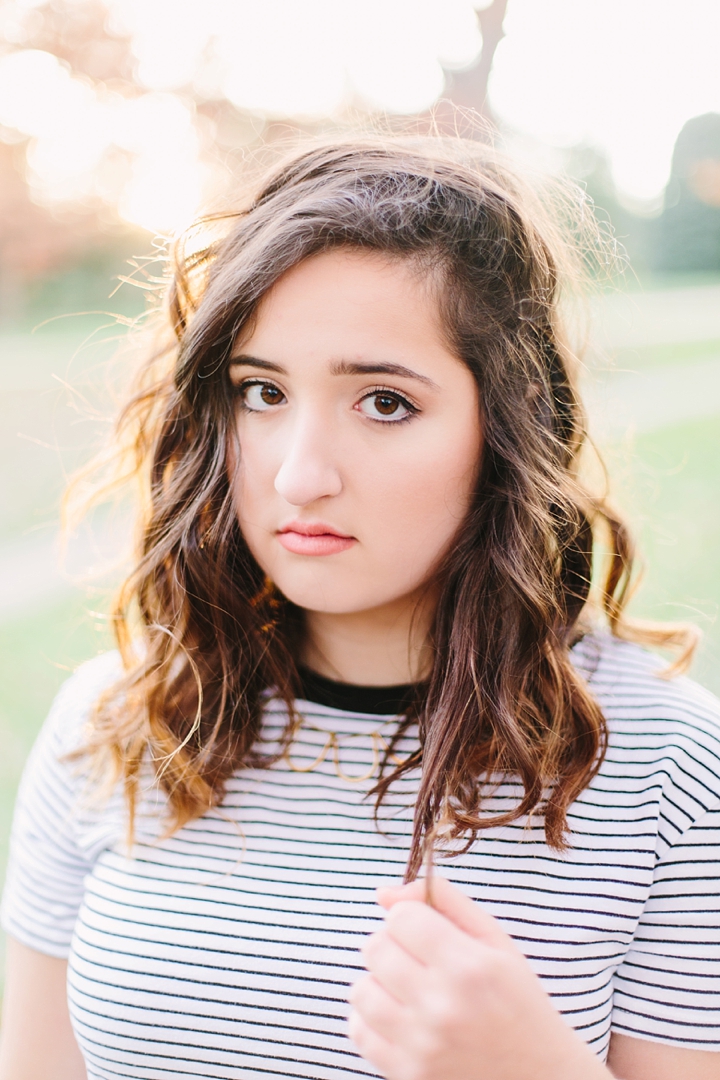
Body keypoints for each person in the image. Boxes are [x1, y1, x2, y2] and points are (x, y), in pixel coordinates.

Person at [1, 136, 719, 1080]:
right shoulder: (115, 727)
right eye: (261, 392)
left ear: (505, 426)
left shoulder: (662, 772)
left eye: (383, 402)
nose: (299, 474)